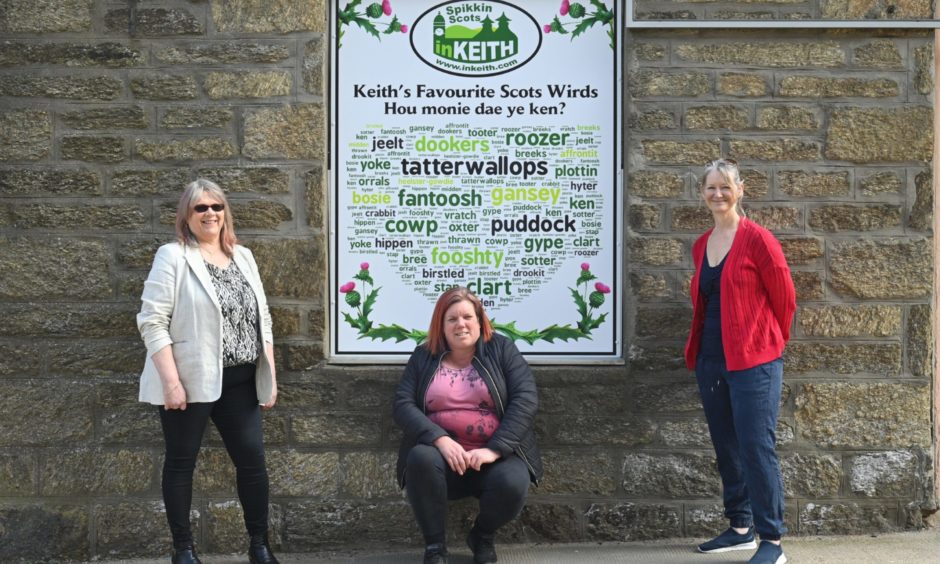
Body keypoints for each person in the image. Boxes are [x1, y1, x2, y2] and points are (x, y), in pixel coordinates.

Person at [137, 179, 279, 564]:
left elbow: (262, 317)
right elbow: (152, 321)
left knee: (252, 462)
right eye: (201, 208)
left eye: (216, 206)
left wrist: (271, 374)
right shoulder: (173, 256)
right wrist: (171, 383)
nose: (210, 214)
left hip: (241, 380)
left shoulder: (243, 256)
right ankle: (183, 549)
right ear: (187, 215)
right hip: (188, 381)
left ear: (225, 212)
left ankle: (259, 545)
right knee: (182, 462)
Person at [685, 159, 796, 564]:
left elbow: (785, 299)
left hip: (755, 361)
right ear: (703, 193)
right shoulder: (701, 244)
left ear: (740, 190)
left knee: (755, 446)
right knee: (726, 446)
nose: (718, 194)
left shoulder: (759, 240)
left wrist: (768, 342)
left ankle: (772, 541)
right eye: (711, 188)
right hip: (712, 360)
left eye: (725, 187)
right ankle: (740, 527)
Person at [393, 287, 543, 564]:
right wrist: (439, 439)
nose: (461, 324)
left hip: (493, 457)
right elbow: (402, 404)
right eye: (452, 319)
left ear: (479, 320)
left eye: (467, 317)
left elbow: (526, 399)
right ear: (441, 324)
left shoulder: (502, 349)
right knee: (420, 457)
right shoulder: (423, 356)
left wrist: (495, 449)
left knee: (514, 482)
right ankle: (435, 548)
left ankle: (482, 536)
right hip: (441, 459)